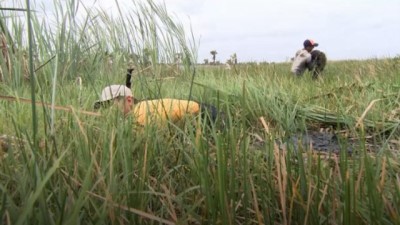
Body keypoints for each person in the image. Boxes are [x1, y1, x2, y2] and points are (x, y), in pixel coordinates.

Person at [94, 85, 221, 128]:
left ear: (128, 100)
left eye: (109, 104)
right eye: (104, 106)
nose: (107, 110)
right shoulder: (139, 109)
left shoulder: (141, 116)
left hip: (207, 116)